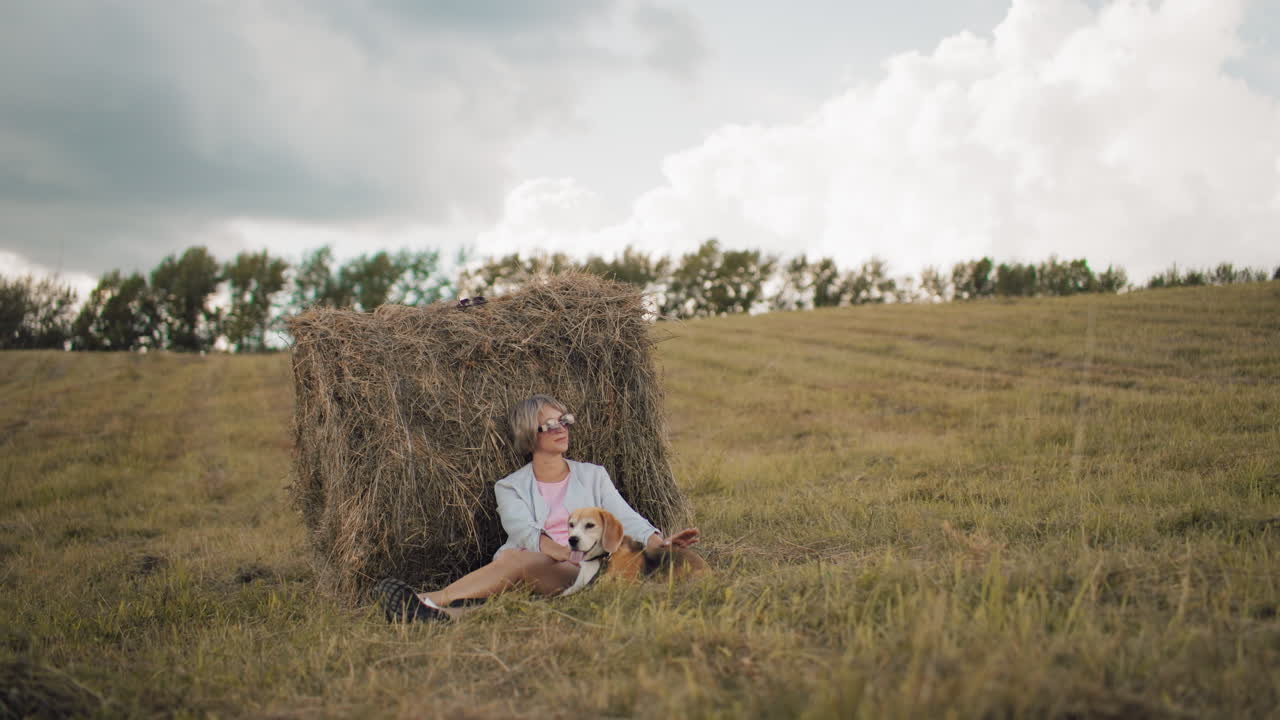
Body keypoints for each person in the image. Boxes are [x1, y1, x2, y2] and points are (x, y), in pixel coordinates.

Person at [377, 394, 700, 622]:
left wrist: (659, 540)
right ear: (528, 435)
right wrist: (553, 550)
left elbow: (624, 516)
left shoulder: (592, 475)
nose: (560, 428)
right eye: (548, 425)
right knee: (506, 579)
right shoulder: (510, 486)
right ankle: (437, 615)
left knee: (516, 563)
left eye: (563, 421)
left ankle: (424, 601)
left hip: (582, 569)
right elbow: (521, 529)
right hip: (535, 564)